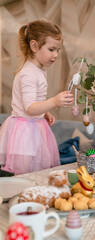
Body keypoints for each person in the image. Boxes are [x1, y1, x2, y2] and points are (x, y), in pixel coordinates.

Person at [0, 19, 73, 175]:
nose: (56, 55)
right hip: (24, 132)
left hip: (35, 126)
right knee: (25, 173)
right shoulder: (28, 74)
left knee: (37, 170)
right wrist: (54, 101)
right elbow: (30, 108)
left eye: (58, 51)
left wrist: (44, 112)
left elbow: (33, 102)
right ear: (34, 46)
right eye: (52, 49)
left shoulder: (39, 70)